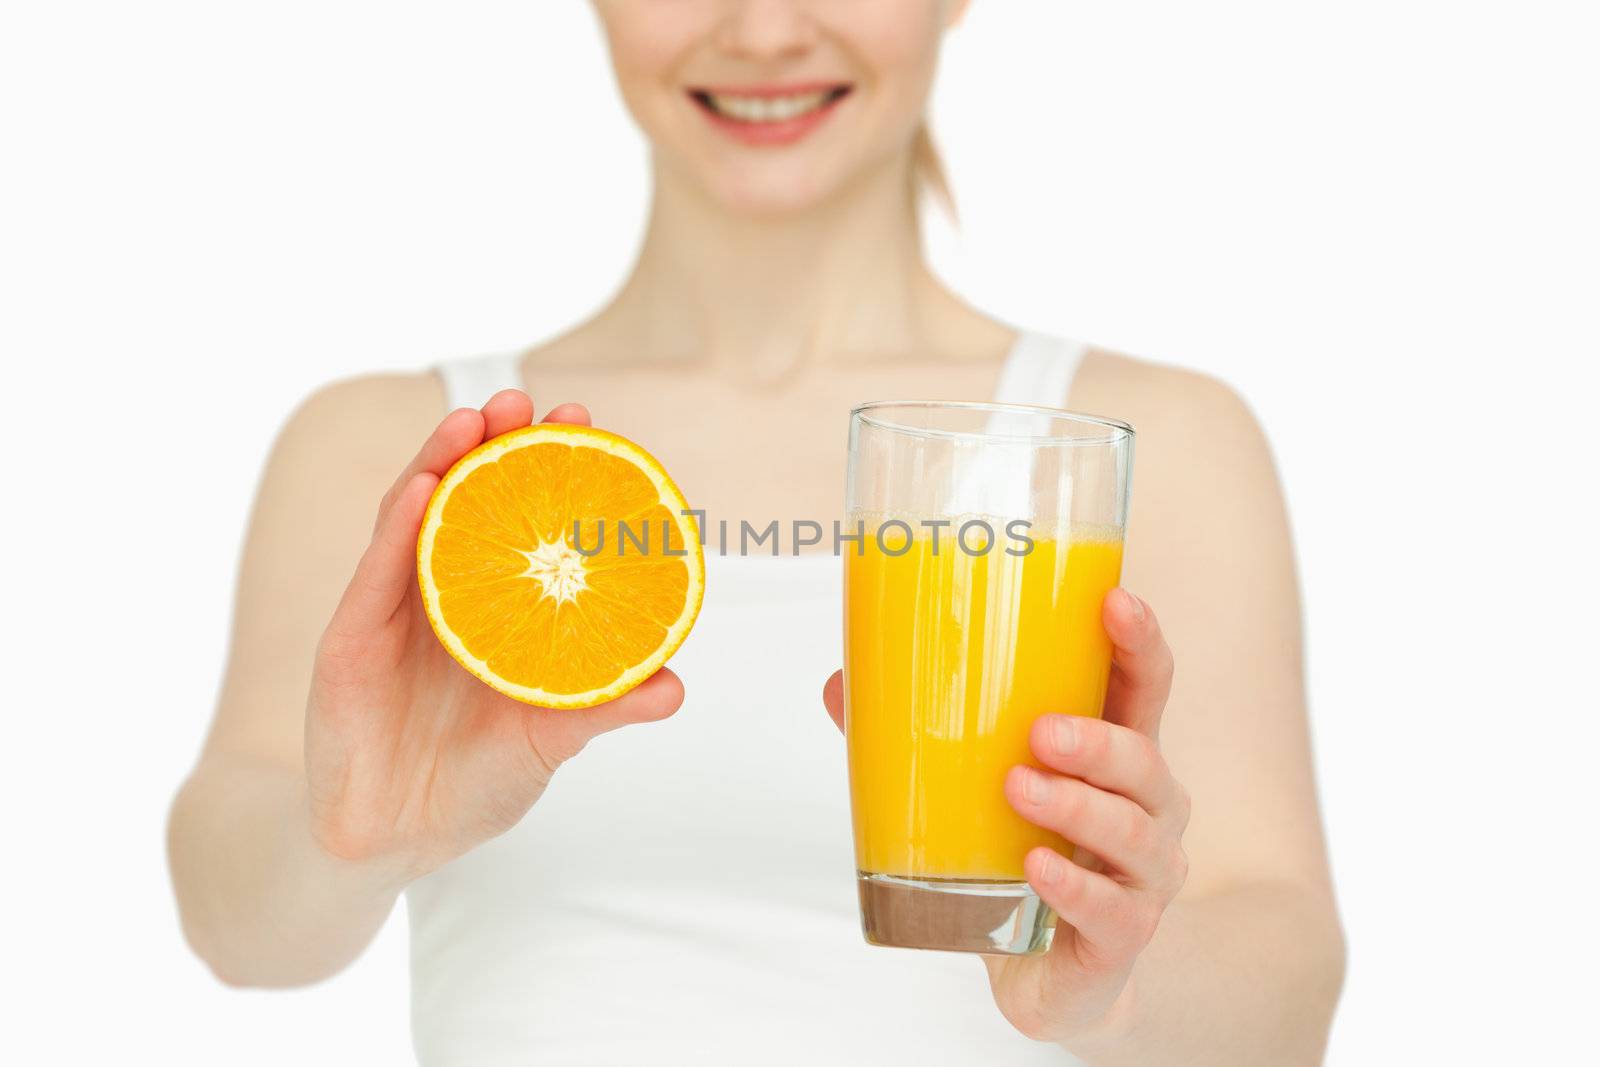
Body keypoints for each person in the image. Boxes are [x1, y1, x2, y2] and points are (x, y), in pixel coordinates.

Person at [167, 2, 1345, 1063]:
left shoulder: (1137, 448)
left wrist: (1111, 990)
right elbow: (241, 931)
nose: (766, 32)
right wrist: (348, 842)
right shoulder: (409, 456)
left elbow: (1286, 994)